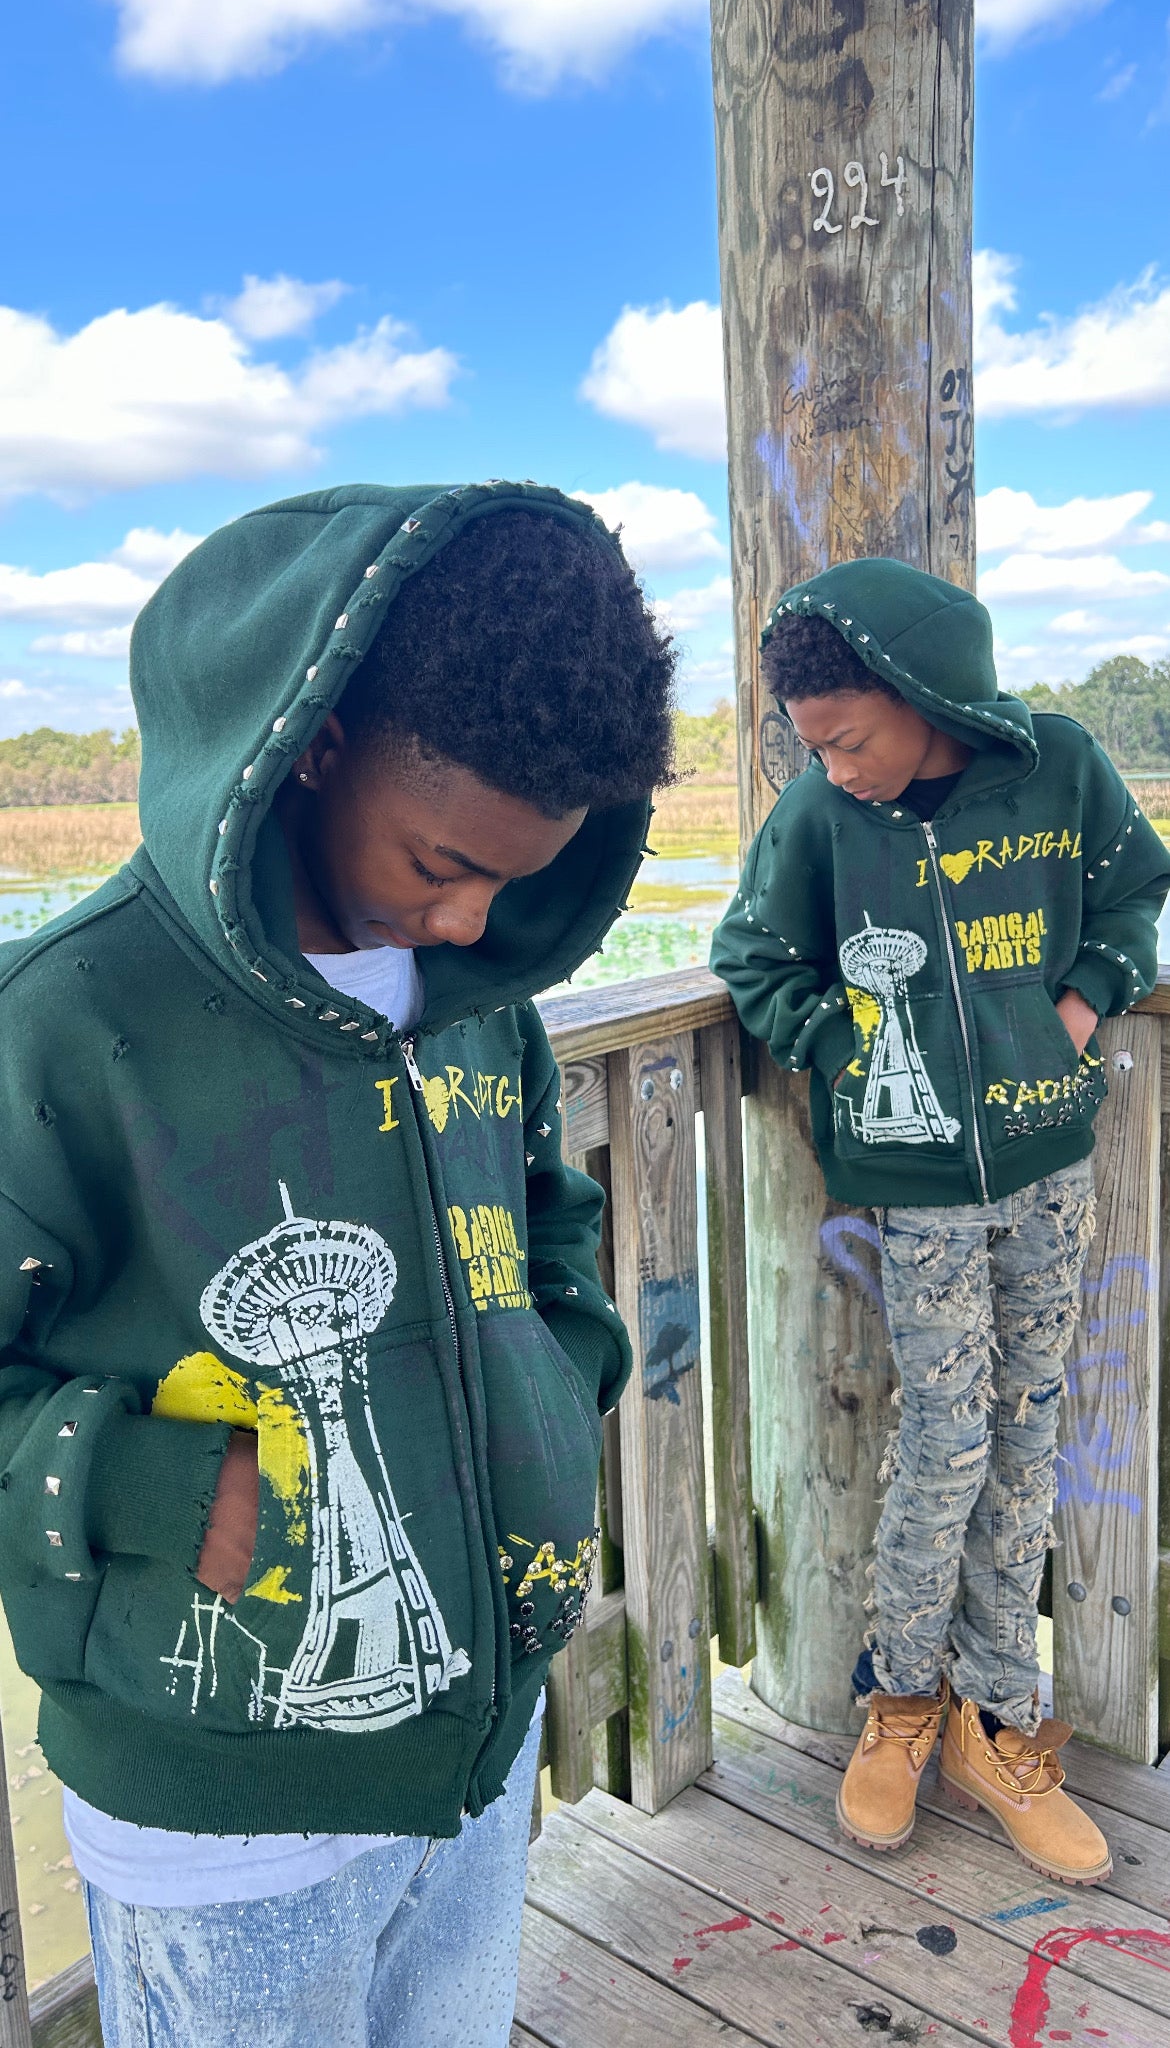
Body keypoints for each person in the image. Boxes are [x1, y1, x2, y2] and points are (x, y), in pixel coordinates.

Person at [0, 482, 676, 2045]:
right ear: (312, 742)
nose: (471, 917)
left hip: (478, 1750)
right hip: (220, 1818)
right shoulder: (60, 1026)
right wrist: (152, 1492)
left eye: (517, 880)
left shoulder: (474, 1001)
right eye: (442, 859)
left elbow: (545, 1218)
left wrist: (551, 1377)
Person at [710, 557, 1169, 1888]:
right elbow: (752, 957)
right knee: (945, 1438)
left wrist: (1078, 1004)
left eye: (850, 738)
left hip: (1048, 1162)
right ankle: (903, 1698)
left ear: (926, 696)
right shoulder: (820, 817)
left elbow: (1135, 890)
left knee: (1027, 1428)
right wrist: (841, 1050)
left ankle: (997, 1721)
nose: (834, 768)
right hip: (915, 1188)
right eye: (814, 747)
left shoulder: (1061, 768)